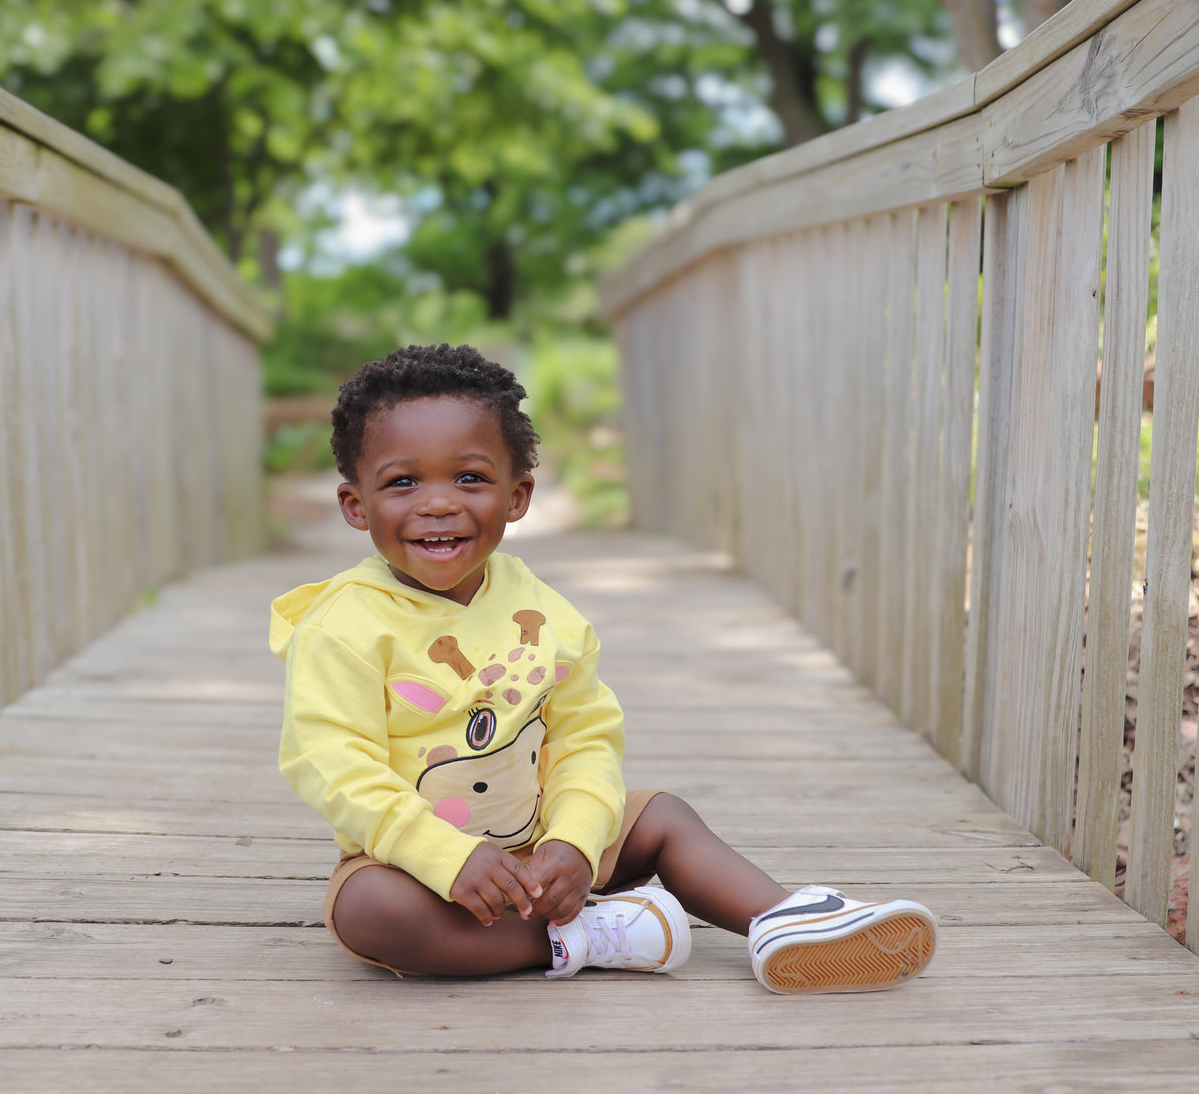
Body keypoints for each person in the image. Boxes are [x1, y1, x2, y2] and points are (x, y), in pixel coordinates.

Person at [270, 342, 937, 990]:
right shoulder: (344, 626)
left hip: (548, 849)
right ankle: (588, 937)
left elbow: (584, 738)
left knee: (663, 817)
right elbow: (334, 762)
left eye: (469, 477)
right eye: (402, 481)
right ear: (356, 506)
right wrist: (444, 856)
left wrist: (576, 842)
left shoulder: (542, 612)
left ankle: (782, 919)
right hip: (422, 867)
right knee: (371, 914)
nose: (438, 502)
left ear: (517, 495)